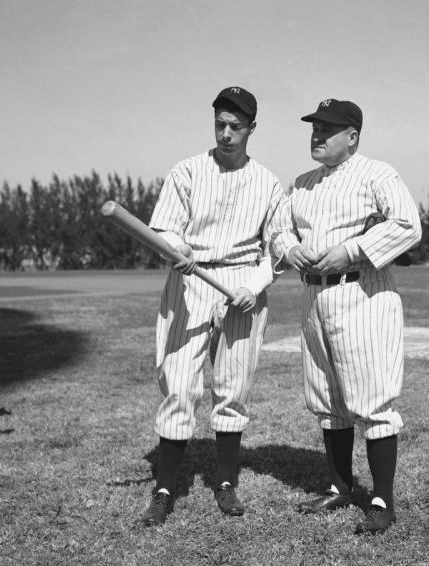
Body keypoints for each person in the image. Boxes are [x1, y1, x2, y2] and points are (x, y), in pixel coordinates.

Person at [271, 99, 422, 535]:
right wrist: (288, 248)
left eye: (329, 128)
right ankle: (339, 487)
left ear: (352, 136)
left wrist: (353, 249)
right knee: (328, 400)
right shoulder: (301, 184)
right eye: (315, 127)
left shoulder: (377, 173)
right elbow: (278, 229)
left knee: (373, 400)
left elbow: (408, 224)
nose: (317, 134)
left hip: (361, 292)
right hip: (315, 297)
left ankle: (381, 500)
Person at [140, 87, 284, 526]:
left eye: (235, 127)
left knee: (233, 387)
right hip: (190, 279)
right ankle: (165, 489)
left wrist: (255, 284)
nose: (225, 134)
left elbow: (276, 246)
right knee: (180, 384)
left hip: (242, 285)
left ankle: (225, 482)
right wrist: (177, 247)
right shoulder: (186, 171)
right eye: (219, 124)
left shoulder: (269, 182)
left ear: (251, 129)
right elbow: (163, 228)